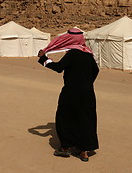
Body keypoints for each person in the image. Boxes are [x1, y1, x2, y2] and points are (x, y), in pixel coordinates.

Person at [37, 28, 99, 162]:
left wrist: (44, 59)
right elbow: (96, 70)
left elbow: (59, 68)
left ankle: (65, 148)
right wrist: (86, 83)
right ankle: (84, 151)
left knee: (64, 117)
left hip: (71, 92)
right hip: (88, 93)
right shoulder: (88, 54)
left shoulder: (73, 54)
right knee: (85, 119)